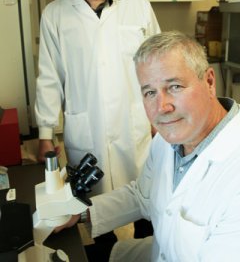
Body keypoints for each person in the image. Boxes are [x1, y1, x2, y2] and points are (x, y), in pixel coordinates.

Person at [57, 30, 240, 261]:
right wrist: (81, 213)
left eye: (174, 87)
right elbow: (143, 195)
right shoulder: (167, 139)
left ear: (210, 82)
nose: (162, 107)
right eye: (150, 92)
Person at [35, 0, 159, 249]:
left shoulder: (138, 5)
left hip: (134, 127)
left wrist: (159, 118)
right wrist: (46, 133)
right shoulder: (55, 15)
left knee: (147, 202)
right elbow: (49, 77)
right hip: (86, 128)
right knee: (94, 214)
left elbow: (157, 65)